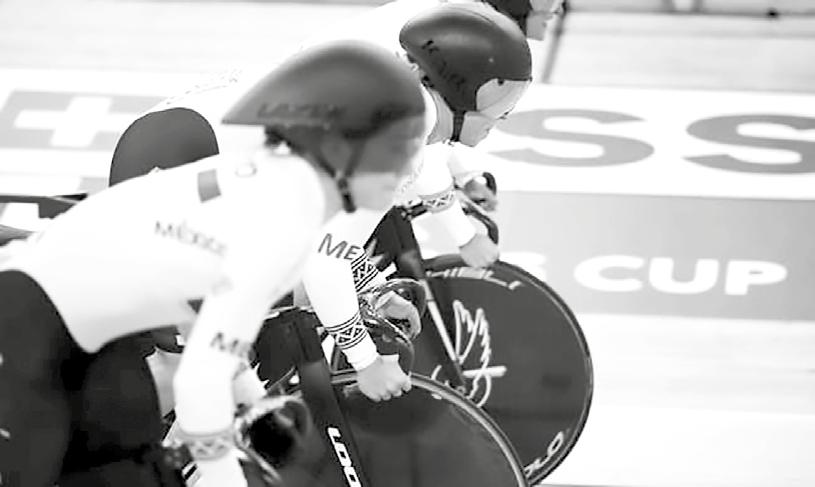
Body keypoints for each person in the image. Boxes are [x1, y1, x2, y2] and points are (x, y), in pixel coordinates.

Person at [0, 40, 428, 487]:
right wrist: (226, 473)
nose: (408, 169)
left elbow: (207, 320)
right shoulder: (286, 225)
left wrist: (253, 403)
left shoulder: (277, 186)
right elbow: (199, 386)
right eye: (398, 149)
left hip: (67, 321)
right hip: (39, 327)